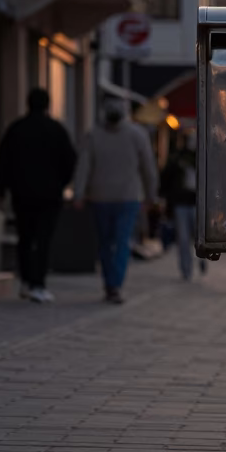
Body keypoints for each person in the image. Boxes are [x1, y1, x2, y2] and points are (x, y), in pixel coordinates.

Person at [0, 88, 77, 303]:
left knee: (25, 237)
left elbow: (3, 160)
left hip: (23, 193)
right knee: (43, 239)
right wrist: (60, 184)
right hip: (49, 195)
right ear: (47, 105)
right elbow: (70, 162)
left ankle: (27, 282)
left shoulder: (17, 129)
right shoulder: (57, 130)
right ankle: (39, 283)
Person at [72, 96, 158, 304]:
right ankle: (115, 285)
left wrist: (78, 193)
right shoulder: (138, 135)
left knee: (104, 242)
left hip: (99, 197)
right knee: (121, 242)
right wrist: (151, 195)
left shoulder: (93, 135)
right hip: (128, 198)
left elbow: (83, 166)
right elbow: (148, 168)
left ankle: (109, 282)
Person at [159, 132, 206, 281]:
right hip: (181, 203)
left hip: (196, 204)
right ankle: (186, 268)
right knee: (184, 238)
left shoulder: (202, 157)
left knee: (200, 237)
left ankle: (202, 260)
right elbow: (167, 179)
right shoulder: (177, 159)